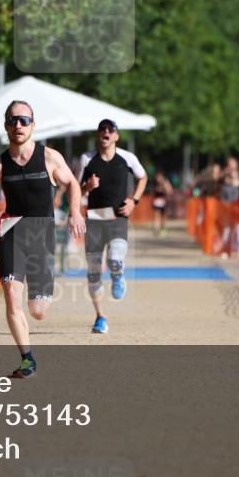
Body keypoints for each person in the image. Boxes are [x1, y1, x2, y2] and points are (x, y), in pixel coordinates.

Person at [0, 100, 85, 378]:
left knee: (38, 311)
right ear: (6, 125)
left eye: (24, 120)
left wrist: (74, 212)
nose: (18, 126)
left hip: (42, 232)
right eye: (12, 120)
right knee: (11, 295)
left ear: (33, 125)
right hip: (11, 230)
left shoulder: (50, 158)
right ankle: (27, 359)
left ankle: (40, 302)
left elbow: (72, 184)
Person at [77, 119, 148, 334]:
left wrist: (134, 201)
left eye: (111, 130)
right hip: (95, 216)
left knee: (115, 259)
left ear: (116, 136)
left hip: (117, 216)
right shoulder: (86, 159)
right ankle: (100, 317)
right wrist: (86, 187)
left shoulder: (128, 158)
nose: (106, 133)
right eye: (102, 129)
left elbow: (143, 177)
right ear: (98, 135)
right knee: (94, 271)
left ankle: (118, 275)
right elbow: (75, 190)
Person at [150, 171, 173, 237]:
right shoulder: (155, 183)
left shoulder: (165, 182)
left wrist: (163, 187)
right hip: (157, 201)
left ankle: (162, 229)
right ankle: (155, 229)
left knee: (163, 217)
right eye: (157, 177)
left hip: (164, 201)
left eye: (159, 177)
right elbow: (153, 191)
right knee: (156, 216)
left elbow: (169, 190)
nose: (158, 178)